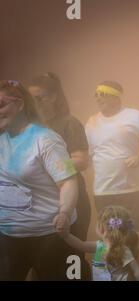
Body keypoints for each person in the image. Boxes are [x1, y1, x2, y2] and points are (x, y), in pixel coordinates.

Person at [0, 80, 78, 280]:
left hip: (49, 236)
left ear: (20, 104)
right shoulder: (2, 139)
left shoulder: (46, 139)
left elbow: (68, 180)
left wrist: (65, 213)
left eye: (1, 104)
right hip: (9, 237)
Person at [28, 72, 91, 280]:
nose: (35, 103)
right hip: (41, 204)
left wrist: (48, 165)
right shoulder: (30, 128)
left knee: (71, 259)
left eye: (40, 97)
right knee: (41, 261)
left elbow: (81, 160)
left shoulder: (69, 122)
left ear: (54, 97)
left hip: (72, 201)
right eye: (31, 99)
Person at [85, 81, 139, 233]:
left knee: (132, 234)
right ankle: (112, 258)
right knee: (110, 235)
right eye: (96, 95)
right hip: (104, 191)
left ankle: (134, 257)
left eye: (103, 95)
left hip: (131, 190)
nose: (98, 99)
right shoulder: (91, 122)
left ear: (116, 98)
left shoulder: (134, 116)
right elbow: (88, 154)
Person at [61, 205, 139, 281]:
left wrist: (66, 235)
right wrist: (66, 235)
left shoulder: (120, 249)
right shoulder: (118, 249)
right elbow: (137, 272)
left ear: (101, 227)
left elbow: (80, 245)